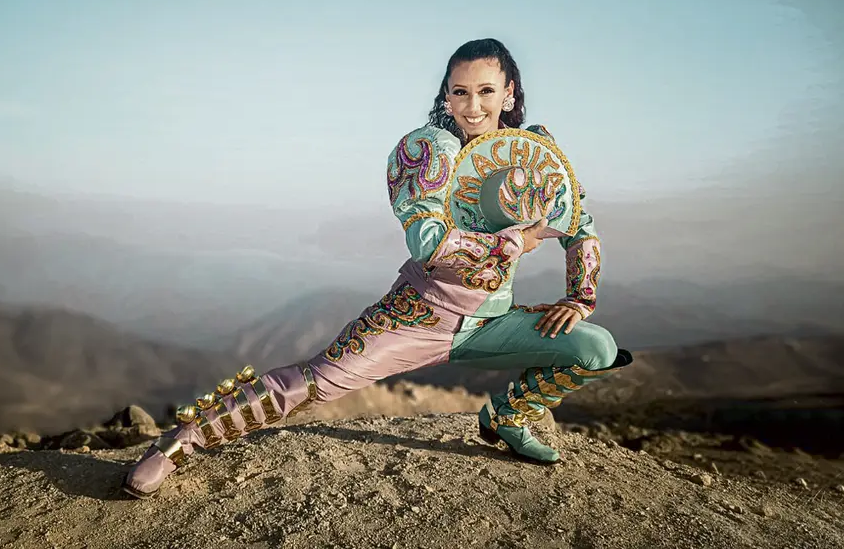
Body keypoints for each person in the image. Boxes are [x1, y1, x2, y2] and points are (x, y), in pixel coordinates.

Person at [122, 38, 632, 500]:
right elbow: (431, 244)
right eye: (460, 93)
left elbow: (579, 225)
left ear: (509, 92)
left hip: (491, 324)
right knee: (313, 384)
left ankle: (506, 416)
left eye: (484, 91)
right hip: (416, 316)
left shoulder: (533, 152)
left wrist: (578, 297)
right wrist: (515, 242)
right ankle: (179, 441)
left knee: (596, 348)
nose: (472, 106)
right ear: (447, 96)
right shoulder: (430, 151)